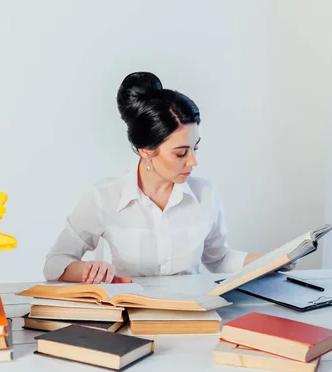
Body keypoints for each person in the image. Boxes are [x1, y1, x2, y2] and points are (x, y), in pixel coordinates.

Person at [44, 71, 294, 283]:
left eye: (195, 148)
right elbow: (55, 262)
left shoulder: (205, 194)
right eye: (180, 153)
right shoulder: (104, 197)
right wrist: (85, 271)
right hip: (130, 318)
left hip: (193, 316)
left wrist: (266, 262)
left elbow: (219, 259)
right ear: (146, 151)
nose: (193, 161)